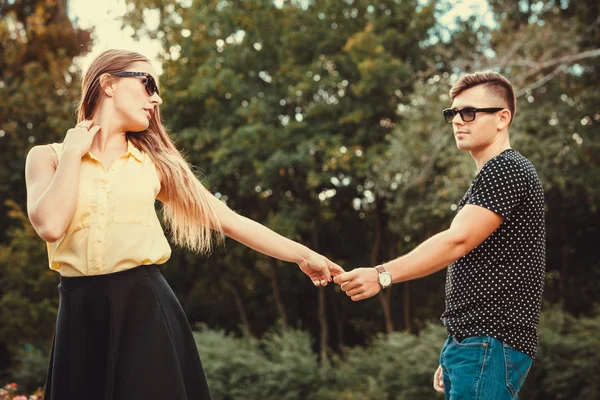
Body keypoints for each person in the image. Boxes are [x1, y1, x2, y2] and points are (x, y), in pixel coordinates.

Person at [25, 49, 343, 400]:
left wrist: (302, 255)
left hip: (145, 310)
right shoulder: (47, 157)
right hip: (78, 314)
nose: (155, 98)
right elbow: (50, 226)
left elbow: (230, 220)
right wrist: (73, 152)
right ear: (108, 83)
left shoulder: (156, 165)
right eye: (147, 84)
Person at [334, 71, 545, 399]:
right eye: (453, 114)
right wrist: (457, 348)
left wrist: (382, 275)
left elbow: (456, 241)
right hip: (476, 344)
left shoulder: (507, 169)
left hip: (488, 341)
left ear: (503, 118)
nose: (458, 121)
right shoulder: (491, 177)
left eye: (470, 112)